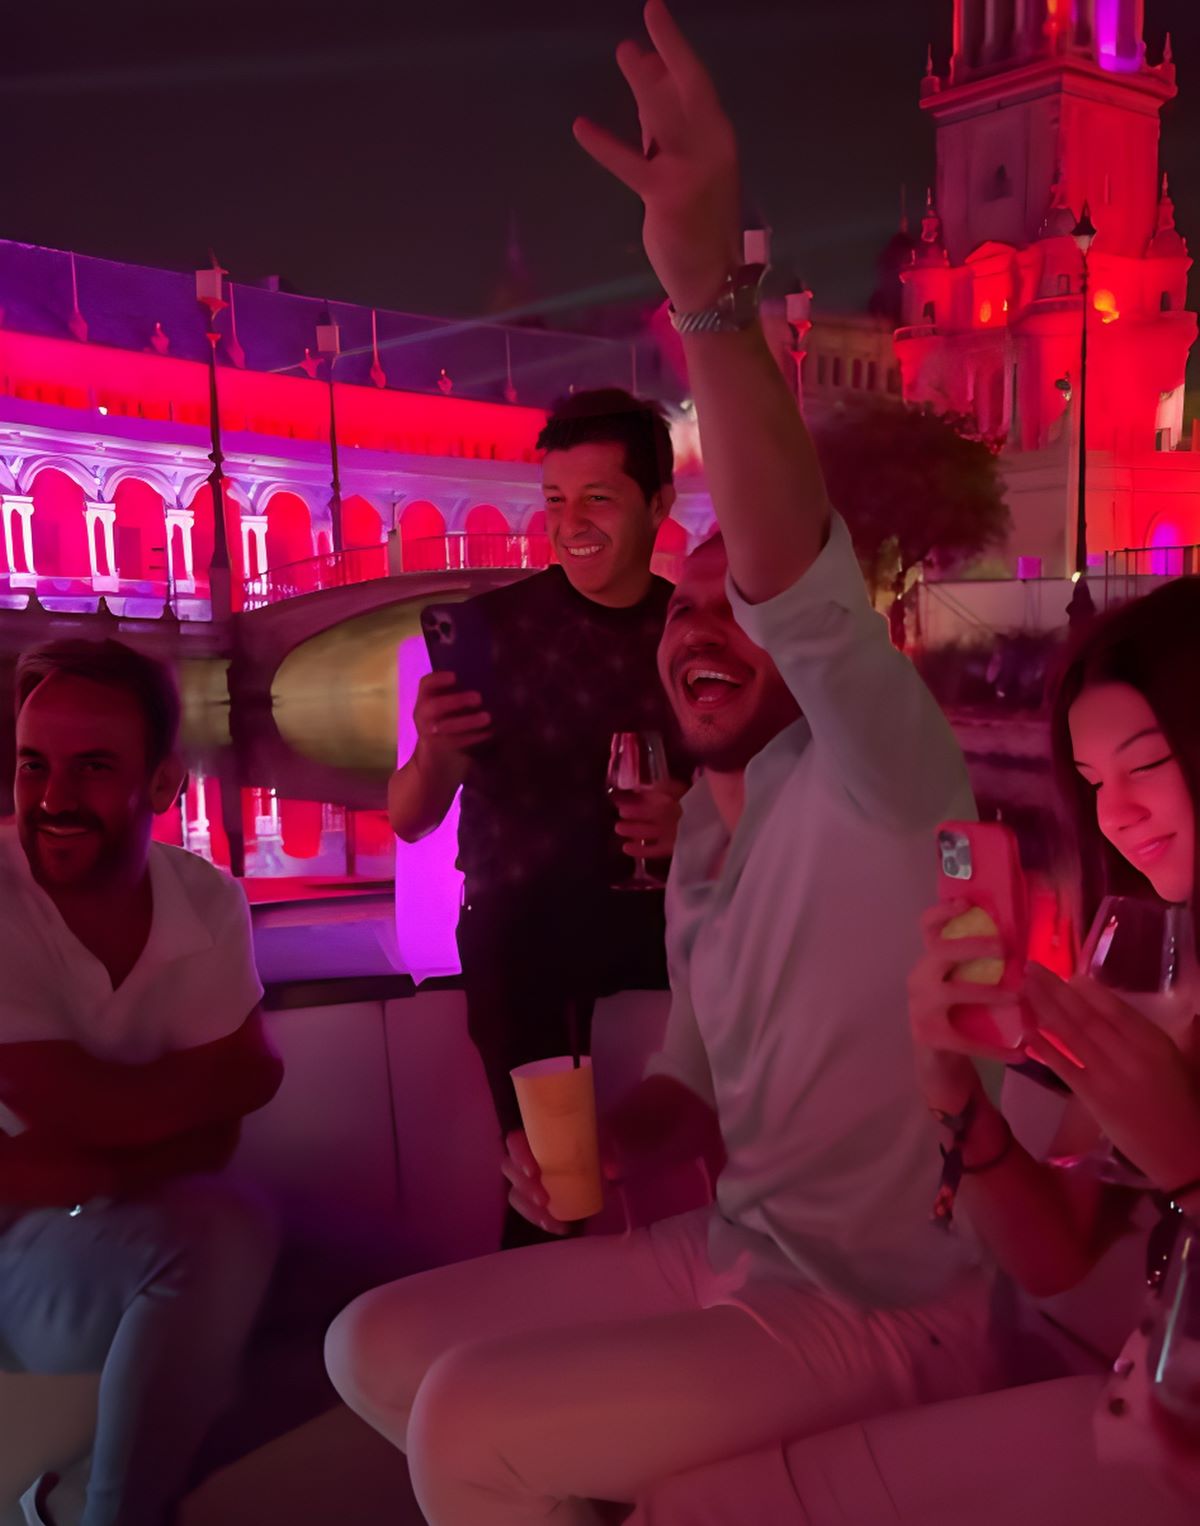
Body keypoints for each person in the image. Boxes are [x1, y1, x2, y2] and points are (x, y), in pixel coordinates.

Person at [324, 8, 997, 1521]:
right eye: (684, 609)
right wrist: (613, 1143)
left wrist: (707, 291)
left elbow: (791, 582)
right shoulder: (697, 835)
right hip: (735, 1247)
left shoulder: (888, 772)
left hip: (893, 1306)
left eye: (732, 606)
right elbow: (692, 1087)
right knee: (370, 1343)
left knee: (466, 1432)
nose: (707, 622)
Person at [629, 575, 1200, 1524]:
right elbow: (1054, 1251)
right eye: (1095, 782)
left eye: (1147, 764)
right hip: (1153, 1407)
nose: (1115, 815)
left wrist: (1187, 1168)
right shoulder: (1153, 972)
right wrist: (954, 1099)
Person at [388, 386, 690, 1245]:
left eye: (599, 496)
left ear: (659, 505)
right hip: (526, 929)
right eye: (556, 500)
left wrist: (695, 822)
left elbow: (774, 796)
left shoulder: (696, 632)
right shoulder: (493, 629)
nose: (572, 522)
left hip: (671, 921)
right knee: (550, 1178)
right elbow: (411, 820)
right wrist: (436, 754)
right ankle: (539, 1312)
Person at [0, 639, 284, 1526]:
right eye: (31, 766)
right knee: (223, 1236)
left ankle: (78, 1498)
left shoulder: (206, 901)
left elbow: (219, 1129)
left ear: (161, 787)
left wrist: (77, 1159)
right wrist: (224, 1082)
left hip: (127, 1227)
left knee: (350, 1293)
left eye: (91, 769)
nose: (51, 800)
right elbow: (90, 1102)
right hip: (14, 1258)